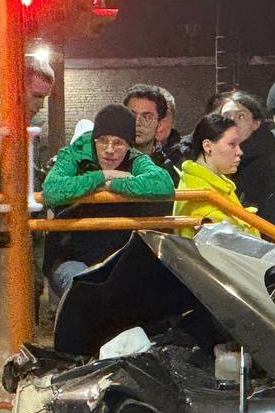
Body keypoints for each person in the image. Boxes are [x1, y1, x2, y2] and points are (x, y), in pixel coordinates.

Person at [40, 103, 174, 299]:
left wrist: (114, 185)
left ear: (129, 145)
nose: (109, 150)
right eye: (103, 141)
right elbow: (52, 190)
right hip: (69, 255)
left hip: (118, 256)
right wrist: (104, 176)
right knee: (85, 289)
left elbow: (163, 184)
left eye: (118, 143)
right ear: (95, 139)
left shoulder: (136, 158)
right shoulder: (73, 153)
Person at [219, 90, 275, 237]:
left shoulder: (273, 168)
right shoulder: (214, 162)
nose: (232, 121)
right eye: (225, 116)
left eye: (241, 116)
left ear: (256, 123)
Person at [174, 113, 259, 238]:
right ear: (208, 146)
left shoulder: (212, 185)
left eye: (239, 145)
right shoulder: (201, 194)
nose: (239, 152)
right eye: (232, 144)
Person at [123, 83, 182, 181]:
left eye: (146, 117)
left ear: (159, 125)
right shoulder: (104, 162)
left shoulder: (170, 172)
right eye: (131, 115)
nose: (137, 122)